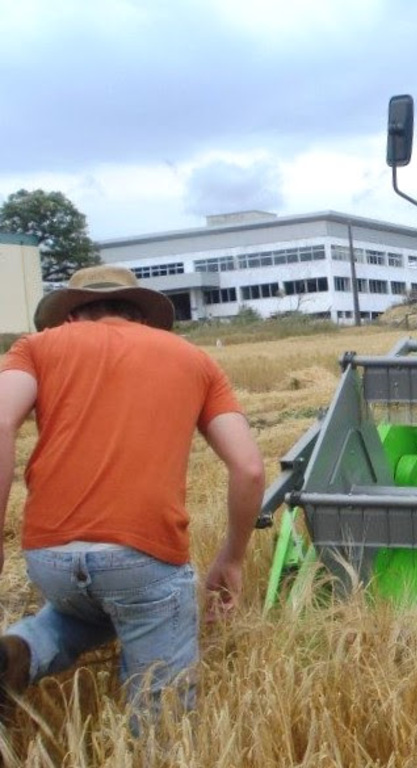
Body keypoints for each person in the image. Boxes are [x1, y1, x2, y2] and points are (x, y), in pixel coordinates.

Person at [0, 265, 265, 727]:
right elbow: (249, 468)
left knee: (92, 608)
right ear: (140, 316)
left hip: (51, 559)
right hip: (144, 556)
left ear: (72, 315)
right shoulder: (193, 358)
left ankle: (21, 650)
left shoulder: (35, 347)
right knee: (162, 720)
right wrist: (232, 557)